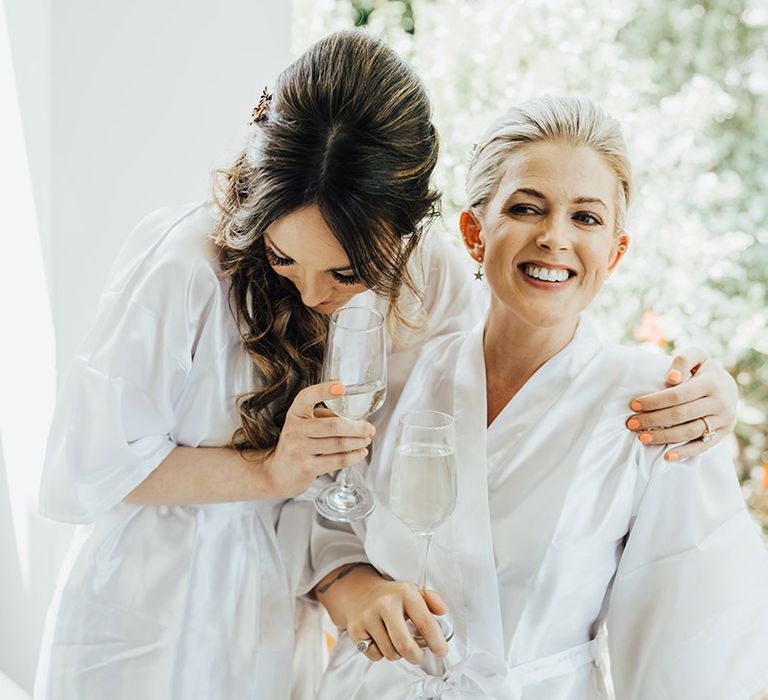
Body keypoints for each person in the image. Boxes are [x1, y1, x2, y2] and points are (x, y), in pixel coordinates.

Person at [35, 28, 737, 698]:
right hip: (152, 609)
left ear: (403, 235)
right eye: (283, 258)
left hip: (279, 619)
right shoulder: (186, 264)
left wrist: (709, 394)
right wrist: (274, 473)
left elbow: (516, 379)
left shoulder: (422, 273)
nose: (312, 293)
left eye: (344, 275)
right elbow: (88, 468)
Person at [312, 96, 768, 699]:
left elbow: (695, 642)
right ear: (474, 233)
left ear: (615, 251)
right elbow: (327, 527)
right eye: (527, 208)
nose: (555, 238)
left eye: (586, 218)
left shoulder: (661, 413)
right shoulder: (394, 381)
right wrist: (359, 589)